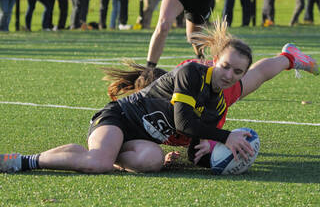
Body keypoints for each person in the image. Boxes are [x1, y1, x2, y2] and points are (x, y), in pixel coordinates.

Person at [0, 18, 318, 174]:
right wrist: (226, 137)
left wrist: (209, 155)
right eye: (226, 67)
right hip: (118, 119)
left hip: (144, 141)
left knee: (152, 162)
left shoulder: (225, 92)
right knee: (97, 162)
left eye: (237, 72)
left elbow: (258, 74)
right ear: (214, 59)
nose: (230, 76)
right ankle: (24, 161)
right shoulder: (192, 73)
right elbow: (183, 121)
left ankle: (290, 55)